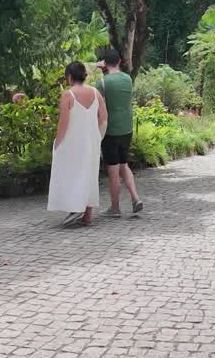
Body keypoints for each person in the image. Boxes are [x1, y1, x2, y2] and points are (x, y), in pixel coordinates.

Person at [47, 62, 107, 227]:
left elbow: (63, 122)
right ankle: (87, 216)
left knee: (72, 173)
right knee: (89, 174)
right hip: (91, 141)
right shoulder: (95, 93)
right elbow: (103, 117)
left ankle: (75, 207)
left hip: (72, 141)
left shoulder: (68, 94)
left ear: (70, 77)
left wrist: (57, 142)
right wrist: (98, 137)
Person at [96, 49, 143, 217]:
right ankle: (135, 198)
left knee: (113, 170)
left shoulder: (102, 82)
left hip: (110, 130)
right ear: (120, 62)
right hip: (126, 128)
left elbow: (99, 107)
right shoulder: (128, 79)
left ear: (104, 63)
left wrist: (101, 71)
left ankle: (115, 208)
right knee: (124, 164)